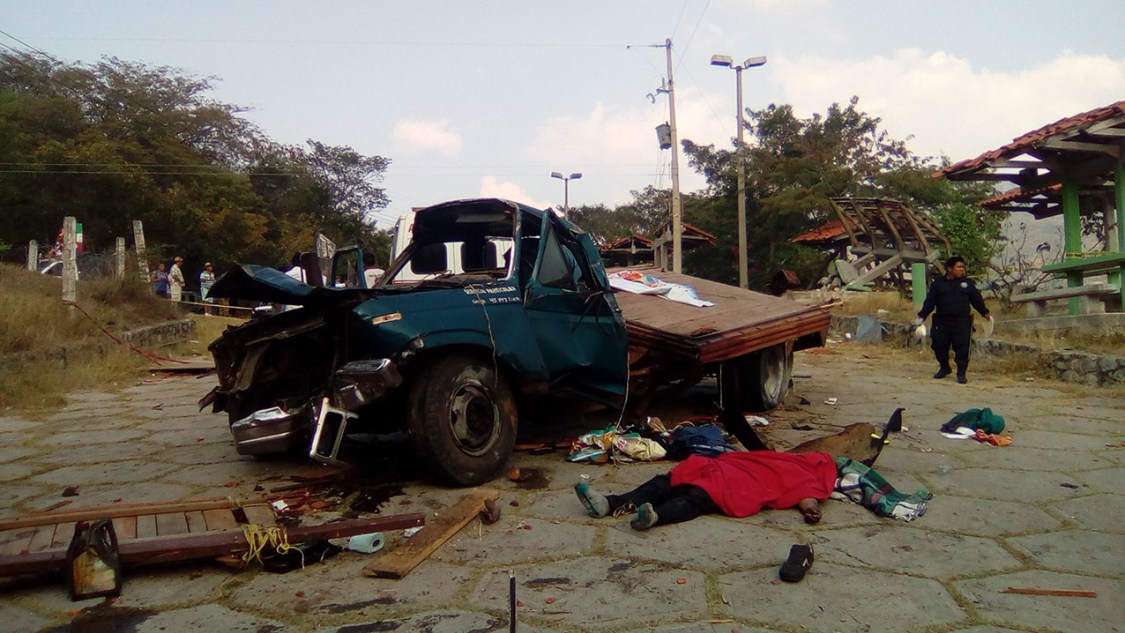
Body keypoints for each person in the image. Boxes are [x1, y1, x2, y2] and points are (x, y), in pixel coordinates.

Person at [574, 451, 931, 531]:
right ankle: (610, 503)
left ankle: (653, 517)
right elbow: (763, 458)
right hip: (732, 467)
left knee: (696, 498)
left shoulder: (816, 477)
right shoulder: (807, 462)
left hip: (742, 483)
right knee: (667, 480)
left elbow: (807, 496)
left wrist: (810, 511)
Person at [915, 256, 991, 384]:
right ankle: (944, 367)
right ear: (950, 269)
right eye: (959, 267)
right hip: (941, 321)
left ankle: (961, 373)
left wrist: (985, 313)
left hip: (961, 322)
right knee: (939, 345)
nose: (962, 270)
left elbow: (976, 300)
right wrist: (921, 317)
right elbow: (930, 302)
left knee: (962, 348)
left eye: (963, 267)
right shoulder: (938, 284)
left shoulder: (968, 284)